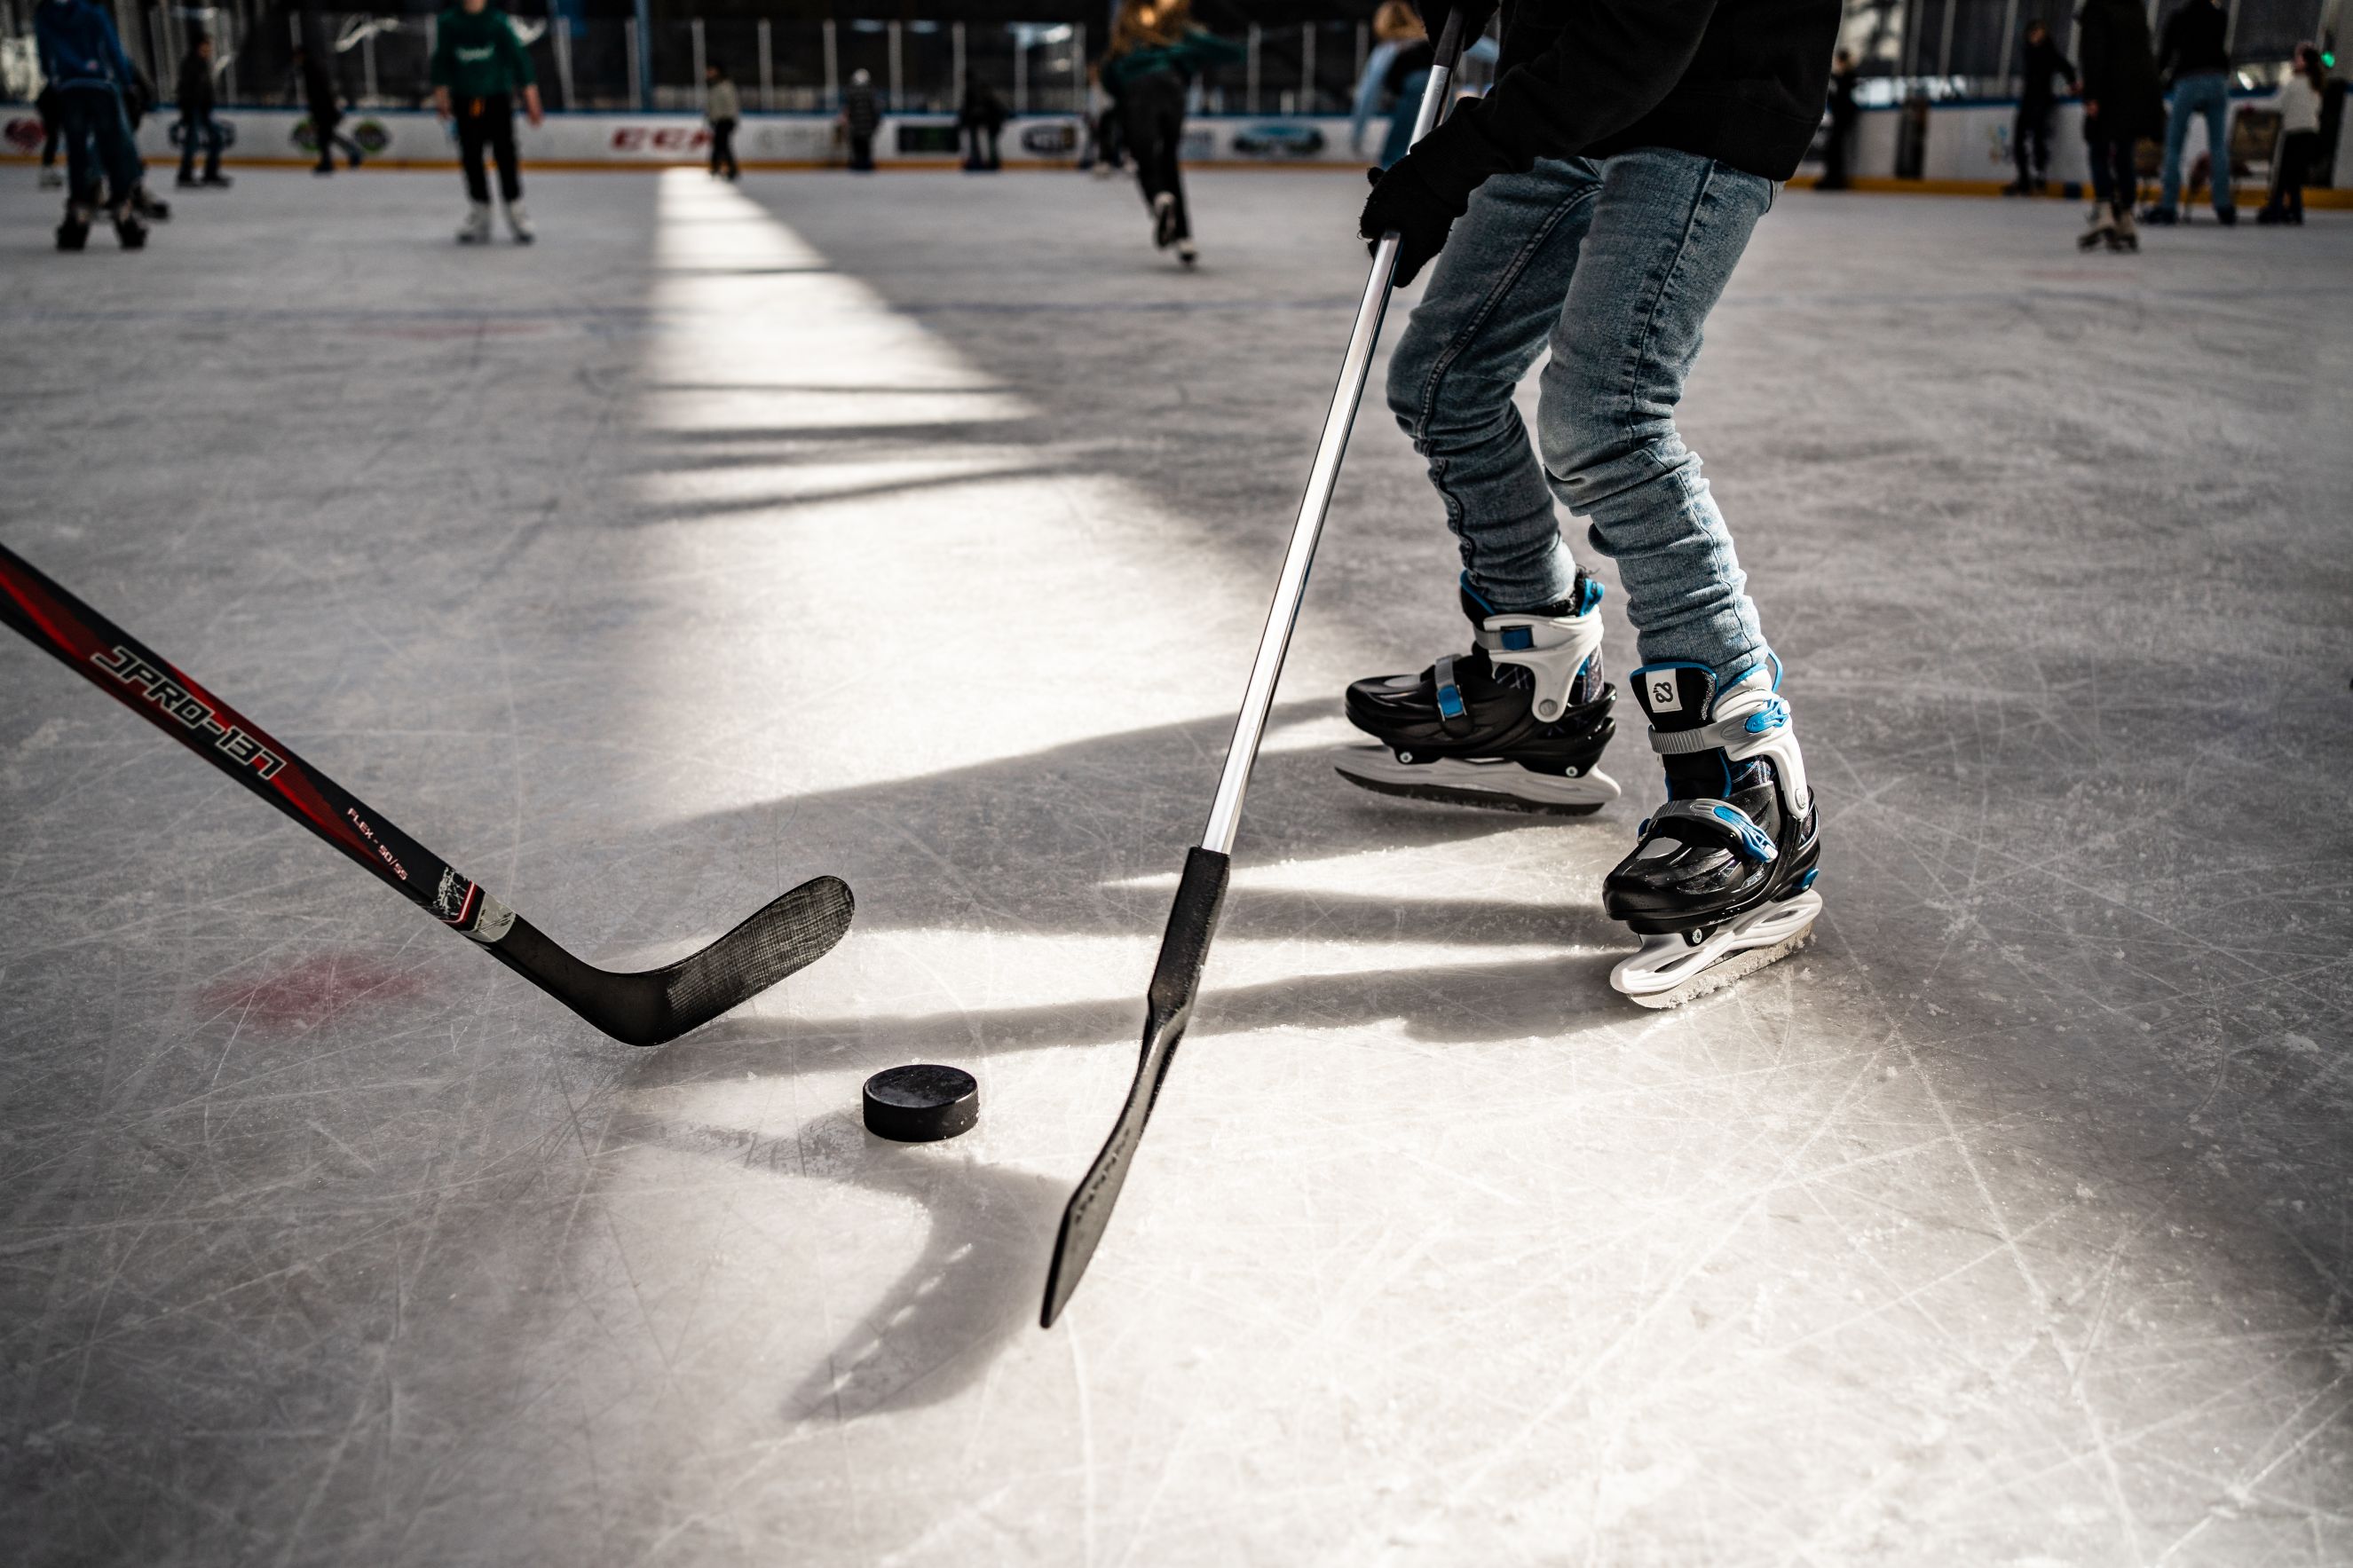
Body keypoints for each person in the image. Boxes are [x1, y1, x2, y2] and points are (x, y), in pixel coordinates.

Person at [1342, 0, 1839, 1005]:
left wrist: (1458, 154)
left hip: (1700, 90)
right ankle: (1535, 684)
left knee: (1603, 418)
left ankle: (1743, 773)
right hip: (1571, 91)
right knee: (1441, 380)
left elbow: (1643, 34)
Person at [1100, 0, 1241, 269]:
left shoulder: (1127, 30)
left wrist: (1120, 94)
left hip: (1137, 91)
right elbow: (1216, 50)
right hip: (1171, 88)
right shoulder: (1174, 30)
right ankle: (1185, 238)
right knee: (1168, 159)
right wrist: (1238, 49)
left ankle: (1158, 199)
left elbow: (1110, 73)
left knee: (1145, 160)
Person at [33, 0, 147, 250]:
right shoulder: (94, 13)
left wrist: (54, 80)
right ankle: (122, 209)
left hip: (68, 88)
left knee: (77, 152)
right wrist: (128, 84)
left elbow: (43, 54)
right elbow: (113, 49)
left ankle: (79, 209)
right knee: (112, 149)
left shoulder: (44, 15)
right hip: (101, 87)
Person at [429, 0, 543, 244]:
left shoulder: (498, 22)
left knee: (505, 154)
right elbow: (441, 61)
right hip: (465, 100)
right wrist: (441, 96)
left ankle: (516, 212)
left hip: (497, 99)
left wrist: (531, 98)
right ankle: (480, 212)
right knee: (471, 156)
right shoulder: (449, 23)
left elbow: (519, 59)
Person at [2073, 0, 2161, 250]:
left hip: (2109, 90)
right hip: (2137, 92)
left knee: (2098, 147)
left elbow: (2094, 51)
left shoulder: (2096, 8)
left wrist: (2092, 94)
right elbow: (2145, 51)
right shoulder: (2134, 7)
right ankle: (2126, 218)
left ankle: (2104, 213)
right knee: (2124, 152)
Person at [2147, 0, 2236, 223]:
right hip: (2217, 78)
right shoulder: (2221, 17)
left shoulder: (2178, 18)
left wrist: (2156, 81)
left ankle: (2168, 206)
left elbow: (2166, 54)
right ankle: (2223, 204)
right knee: (2217, 144)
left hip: (2188, 78)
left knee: (2174, 142)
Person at [2258, 43, 2327, 224]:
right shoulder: (2316, 85)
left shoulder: (2294, 83)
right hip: (2311, 135)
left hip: (2295, 135)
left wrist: (2254, 108)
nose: (2293, 61)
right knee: (2294, 175)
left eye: (2297, 57)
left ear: (2304, 62)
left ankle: (2277, 208)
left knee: (2283, 175)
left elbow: (2276, 105)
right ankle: (2295, 210)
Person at [2005, 21, 2076, 194]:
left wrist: (2072, 84)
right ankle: (2024, 178)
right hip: (2028, 99)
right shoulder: (2028, 51)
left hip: (2042, 99)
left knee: (2038, 135)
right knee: (2019, 138)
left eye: (2038, 33)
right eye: (2033, 33)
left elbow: (2066, 68)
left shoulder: (2049, 52)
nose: (2035, 36)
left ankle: (2039, 175)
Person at [1349, 2, 1424, 166]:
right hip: (1446, 94)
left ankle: (1390, 184)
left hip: (1416, 92)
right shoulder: (1431, 40)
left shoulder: (1391, 47)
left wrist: (1357, 134)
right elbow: (1479, 46)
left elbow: (1368, 93)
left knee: (1393, 155)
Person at [294, 44, 364, 175]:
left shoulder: (310, 69)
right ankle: (349, 153)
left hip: (323, 110)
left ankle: (332, 160)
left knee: (324, 137)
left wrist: (319, 111)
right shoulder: (310, 68)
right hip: (324, 109)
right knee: (327, 136)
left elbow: (319, 93)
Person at [176, 34, 229, 189]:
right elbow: (185, 90)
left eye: (209, 46)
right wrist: (187, 109)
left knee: (217, 138)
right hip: (194, 109)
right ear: (198, 46)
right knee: (192, 143)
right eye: (205, 46)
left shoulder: (203, 64)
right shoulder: (190, 64)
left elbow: (205, 89)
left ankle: (210, 173)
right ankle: (185, 175)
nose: (208, 49)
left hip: (204, 110)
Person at [1820, 46, 1858, 189]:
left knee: (1835, 148)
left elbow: (1841, 97)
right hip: (1840, 117)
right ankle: (1832, 177)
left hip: (1843, 118)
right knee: (1833, 148)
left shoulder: (1848, 77)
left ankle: (1835, 179)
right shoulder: (1842, 77)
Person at [959, 78, 1007, 170]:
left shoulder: (988, 101)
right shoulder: (982, 101)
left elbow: (999, 112)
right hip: (983, 125)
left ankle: (990, 163)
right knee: (979, 145)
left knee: (987, 145)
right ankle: (980, 162)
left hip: (990, 126)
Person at [705, 61, 740, 181]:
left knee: (723, 146)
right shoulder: (714, 86)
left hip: (725, 121)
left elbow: (731, 105)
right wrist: (710, 117)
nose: (708, 73)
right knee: (719, 145)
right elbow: (712, 106)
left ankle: (729, 169)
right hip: (719, 121)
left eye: (711, 71)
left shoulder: (725, 86)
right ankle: (719, 168)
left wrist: (729, 119)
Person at [841, 67, 880, 172]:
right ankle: (867, 164)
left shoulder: (851, 91)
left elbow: (848, 109)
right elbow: (875, 110)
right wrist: (875, 123)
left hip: (855, 126)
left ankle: (857, 163)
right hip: (868, 127)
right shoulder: (871, 92)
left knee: (856, 146)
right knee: (866, 146)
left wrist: (847, 121)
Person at [36, 82, 65, 188]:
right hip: (50, 115)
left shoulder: (60, 83)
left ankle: (48, 168)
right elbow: (41, 102)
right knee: (53, 139)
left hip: (51, 115)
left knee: (53, 140)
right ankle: (47, 170)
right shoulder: (57, 84)